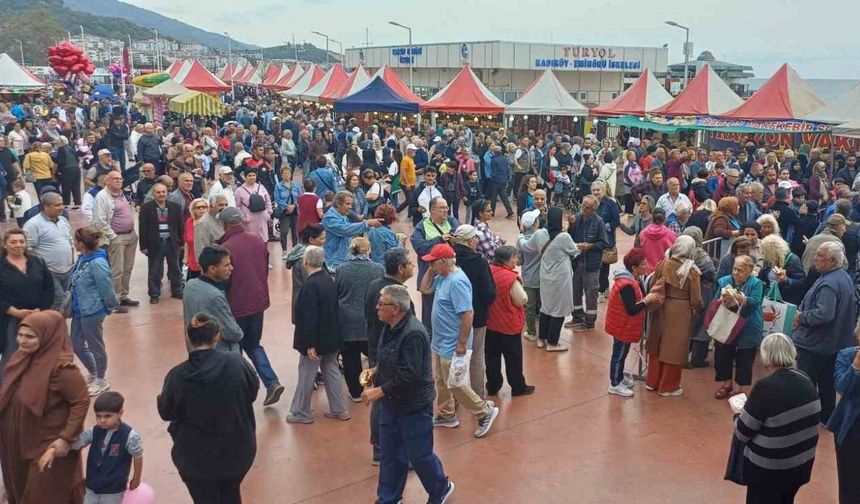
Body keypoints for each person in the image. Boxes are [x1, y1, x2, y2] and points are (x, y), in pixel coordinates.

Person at [362, 284, 455, 504]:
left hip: (413, 405)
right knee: (390, 454)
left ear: (395, 308)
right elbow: (391, 357)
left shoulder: (413, 333)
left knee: (419, 455)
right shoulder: (390, 326)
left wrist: (379, 391)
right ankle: (389, 498)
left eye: (381, 303)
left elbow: (410, 376)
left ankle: (440, 487)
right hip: (391, 404)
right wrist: (376, 370)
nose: (377, 307)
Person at [158, 314, 259, 504]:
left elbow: (166, 411)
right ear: (217, 336)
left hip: (195, 460)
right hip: (237, 452)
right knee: (230, 494)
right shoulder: (236, 363)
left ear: (188, 338)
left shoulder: (177, 376)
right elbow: (252, 392)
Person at [0, 311, 89, 503]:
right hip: (18, 443)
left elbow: (81, 401)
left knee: (43, 493)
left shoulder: (62, 370)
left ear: (48, 335)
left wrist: (66, 439)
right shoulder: (20, 358)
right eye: (20, 335)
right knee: (20, 487)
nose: (22, 341)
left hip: (46, 445)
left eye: (30, 337)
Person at [418, 243, 500, 438]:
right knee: (441, 380)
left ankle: (483, 411)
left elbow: (468, 314)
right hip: (440, 341)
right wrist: (431, 269)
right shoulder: (443, 277)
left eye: (433, 263)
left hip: (453, 343)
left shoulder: (457, 281)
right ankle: (447, 414)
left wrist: (462, 343)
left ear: (444, 261)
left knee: (454, 382)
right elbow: (424, 288)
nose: (431, 266)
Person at [733, 333, 820, 504]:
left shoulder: (766, 387)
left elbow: (743, 432)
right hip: (800, 465)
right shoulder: (806, 379)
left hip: (769, 468)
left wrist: (738, 413)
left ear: (766, 358)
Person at [217, 207, 284, 406]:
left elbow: (224, 279)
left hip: (235, 304)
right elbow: (264, 269)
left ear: (225, 224)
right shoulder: (256, 241)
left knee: (234, 347)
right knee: (254, 344)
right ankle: (271, 382)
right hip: (258, 301)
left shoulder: (225, 248)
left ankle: (240, 391)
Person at [793, 241, 858, 424]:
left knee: (806, 383)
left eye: (820, 255)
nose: (815, 258)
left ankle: (806, 419)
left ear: (832, 260)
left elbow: (825, 314)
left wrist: (802, 316)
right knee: (827, 384)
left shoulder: (829, 283)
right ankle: (827, 417)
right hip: (833, 344)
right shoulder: (843, 277)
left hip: (815, 344)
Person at [288, 246, 349, 423]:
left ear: (305, 261)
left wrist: (309, 344)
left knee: (307, 374)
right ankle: (339, 408)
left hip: (316, 340)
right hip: (332, 337)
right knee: (331, 370)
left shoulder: (309, 286)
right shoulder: (328, 280)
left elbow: (308, 317)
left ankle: (301, 412)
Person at [646, 235, 702, 397]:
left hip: (661, 307)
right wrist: (697, 309)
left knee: (657, 344)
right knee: (674, 349)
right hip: (681, 310)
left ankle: (652, 382)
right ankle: (668, 386)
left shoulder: (663, 264)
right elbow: (696, 299)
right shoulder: (692, 271)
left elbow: (651, 285)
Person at [68, 226, 117, 397]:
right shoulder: (83, 258)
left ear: (81, 243)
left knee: (96, 345)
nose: (74, 244)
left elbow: (106, 287)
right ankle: (94, 372)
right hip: (79, 308)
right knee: (76, 343)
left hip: (92, 310)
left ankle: (101, 379)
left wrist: (109, 306)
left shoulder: (97, 262)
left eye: (75, 241)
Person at [605, 248, 660, 397]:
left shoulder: (634, 279)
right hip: (623, 324)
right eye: (643, 264)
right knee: (619, 354)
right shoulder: (627, 284)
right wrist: (646, 301)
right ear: (634, 268)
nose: (646, 266)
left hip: (624, 324)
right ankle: (615, 383)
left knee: (622, 352)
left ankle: (619, 378)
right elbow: (631, 309)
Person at [71, 391, 144, 503]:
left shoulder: (130, 436)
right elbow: (78, 442)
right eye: (98, 416)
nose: (102, 420)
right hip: (91, 486)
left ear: (120, 414)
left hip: (113, 490)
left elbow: (138, 456)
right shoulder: (94, 431)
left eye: (108, 416)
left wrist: (136, 478)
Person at [336, 237, 385, 402]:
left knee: (350, 358)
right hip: (370, 319)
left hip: (347, 319)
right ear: (368, 250)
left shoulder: (342, 270)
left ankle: (356, 392)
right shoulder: (378, 269)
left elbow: (338, 291)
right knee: (374, 355)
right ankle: (378, 387)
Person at [451, 225, 497, 399]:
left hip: (454, 316)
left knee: (455, 357)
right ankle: (478, 398)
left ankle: (455, 397)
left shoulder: (450, 258)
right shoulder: (479, 261)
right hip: (477, 316)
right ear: (471, 241)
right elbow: (489, 292)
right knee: (476, 357)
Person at [0, 229, 55, 373]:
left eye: (21, 241)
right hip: (10, 318)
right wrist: (15, 312)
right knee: (11, 354)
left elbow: (49, 288)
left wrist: (41, 309)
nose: (18, 245)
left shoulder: (37, 262)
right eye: (13, 242)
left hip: (38, 317)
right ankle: (6, 389)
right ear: (5, 245)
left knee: (41, 353)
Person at [485, 245, 534, 397]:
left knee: (491, 358)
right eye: (513, 257)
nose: (516, 260)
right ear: (505, 260)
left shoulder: (489, 271)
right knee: (513, 359)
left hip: (491, 323)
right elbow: (522, 299)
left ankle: (493, 386)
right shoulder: (510, 278)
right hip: (508, 324)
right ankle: (517, 386)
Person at [713, 255, 764, 399]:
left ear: (749, 271)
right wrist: (722, 299)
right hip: (726, 323)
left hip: (748, 325)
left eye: (740, 270)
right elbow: (716, 300)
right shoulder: (725, 281)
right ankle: (726, 384)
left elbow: (755, 302)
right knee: (723, 355)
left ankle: (740, 388)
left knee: (745, 358)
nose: (736, 273)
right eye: (735, 269)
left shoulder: (756, 284)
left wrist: (740, 297)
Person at [92, 170, 139, 311]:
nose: (119, 181)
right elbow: (99, 221)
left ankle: (124, 296)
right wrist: (114, 237)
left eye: (120, 179)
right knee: (116, 270)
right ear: (107, 181)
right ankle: (114, 300)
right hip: (117, 237)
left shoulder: (121, 193)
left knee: (128, 268)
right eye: (115, 179)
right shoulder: (102, 197)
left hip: (130, 235)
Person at [182, 245, 244, 353]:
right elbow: (232, 332)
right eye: (226, 265)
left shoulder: (190, 286)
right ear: (212, 269)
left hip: (195, 350)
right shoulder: (214, 296)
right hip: (219, 356)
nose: (231, 268)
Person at [411, 196, 459, 332]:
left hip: (451, 275)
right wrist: (440, 239)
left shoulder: (452, 222)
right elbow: (420, 248)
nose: (446, 211)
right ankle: (430, 338)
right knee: (430, 311)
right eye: (442, 208)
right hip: (430, 275)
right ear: (432, 210)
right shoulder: (421, 228)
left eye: (446, 207)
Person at [535, 207, 580, 351]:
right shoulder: (563, 237)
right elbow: (574, 250)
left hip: (545, 276)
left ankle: (541, 338)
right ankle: (553, 343)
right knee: (559, 309)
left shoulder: (541, 233)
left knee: (546, 306)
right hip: (560, 278)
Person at [22, 191, 74, 309]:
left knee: (68, 302)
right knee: (57, 300)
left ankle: (59, 325)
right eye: (57, 205)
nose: (61, 208)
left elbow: (69, 242)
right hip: (49, 272)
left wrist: (71, 262)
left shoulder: (63, 221)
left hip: (67, 270)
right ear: (46, 206)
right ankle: (52, 325)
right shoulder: (33, 224)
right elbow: (29, 248)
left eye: (62, 204)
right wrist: (39, 269)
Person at [138, 182, 184, 304]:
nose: (161, 194)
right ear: (154, 194)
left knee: (175, 268)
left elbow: (180, 225)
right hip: (155, 243)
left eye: (163, 192)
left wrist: (181, 241)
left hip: (172, 242)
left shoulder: (175, 207)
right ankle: (154, 293)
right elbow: (142, 228)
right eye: (158, 192)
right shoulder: (146, 208)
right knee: (154, 270)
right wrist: (143, 246)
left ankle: (177, 290)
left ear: (167, 193)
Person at [567, 195, 608, 331]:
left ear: (594, 209)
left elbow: (604, 243)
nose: (583, 208)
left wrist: (590, 246)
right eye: (583, 205)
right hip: (577, 262)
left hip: (591, 265)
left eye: (587, 207)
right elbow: (570, 236)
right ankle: (577, 317)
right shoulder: (577, 217)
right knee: (575, 290)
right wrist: (571, 225)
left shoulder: (599, 222)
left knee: (591, 293)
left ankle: (589, 322)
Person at [828, 336, 860, 503]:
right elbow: (841, 386)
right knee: (849, 485)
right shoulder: (846, 355)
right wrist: (855, 367)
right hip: (850, 430)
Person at [321, 191, 381, 268]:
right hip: (333, 262)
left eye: (351, 204)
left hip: (342, 260)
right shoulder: (329, 217)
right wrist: (366, 224)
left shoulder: (342, 216)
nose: (350, 207)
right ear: (338, 204)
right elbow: (345, 230)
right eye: (347, 204)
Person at [516, 209, 543, 341]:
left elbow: (519, 260)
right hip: (543, 277)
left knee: (530, 307)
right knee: (544, 306)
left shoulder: (521, 240)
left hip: (528, 277)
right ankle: (544, 333)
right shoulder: (543, 236)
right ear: (535, 223)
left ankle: (531, 332)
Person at [757, 234, 805, 305]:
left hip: (784, 300)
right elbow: (763, 278)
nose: (763, 253)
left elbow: (802, 283)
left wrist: (787, 280)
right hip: (768, 297)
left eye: (765, 251)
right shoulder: (769, 260)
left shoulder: (792, 260)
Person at [234, 169, 273, 247]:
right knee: (250, 243)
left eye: (253, 175)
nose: (252, 177)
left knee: (263, 242)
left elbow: (268, 201)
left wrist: (268, 213)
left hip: (262, 219)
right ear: (245, 177)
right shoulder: (239, 190)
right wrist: (243, 218)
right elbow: (237, 206)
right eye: (249, 176)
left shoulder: (261, 187)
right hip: (249, 222)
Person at [274, 166, 301, 254]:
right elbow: (277, 198)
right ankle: (284, 250)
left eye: (288, 173)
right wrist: (286, 206)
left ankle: (295, 249)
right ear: (281, 175)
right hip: (284, 211)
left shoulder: (296, 185)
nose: (286, 175)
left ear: (291, 174)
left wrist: (294, 205)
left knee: (295, 231)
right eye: (284, 173)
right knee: (284, 231)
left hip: (295, 211)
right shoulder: (278, 186)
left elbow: (300, 197)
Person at [184, 198, 208, 280]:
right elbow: (186, 241)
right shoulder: (189, 222)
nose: (201, 209)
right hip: (192, 260)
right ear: (193, 209)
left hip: (207, 259)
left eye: (203, 207)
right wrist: (185, 257)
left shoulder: (210, 223)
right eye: (198, 207)